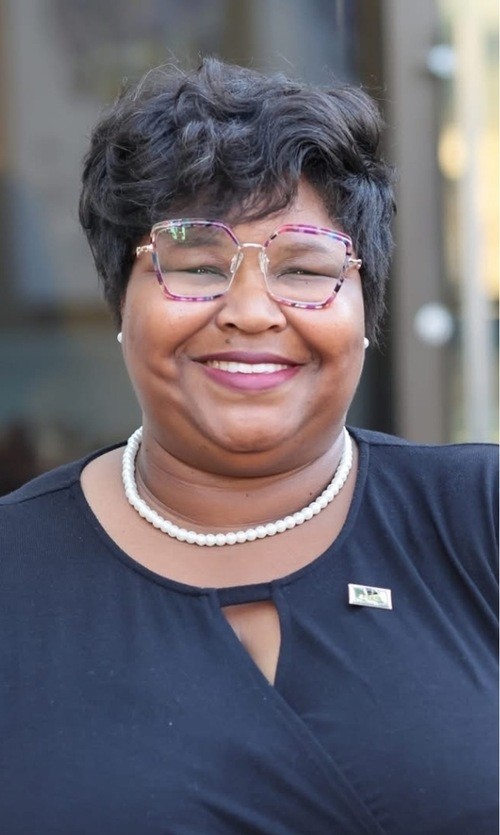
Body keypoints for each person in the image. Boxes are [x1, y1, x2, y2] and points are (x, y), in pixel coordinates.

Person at [0, 57, 497, 835]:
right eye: (198, 265)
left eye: (305, 268)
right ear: (121, 302)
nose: (252, 310)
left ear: (365, 310)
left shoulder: (481, 519)